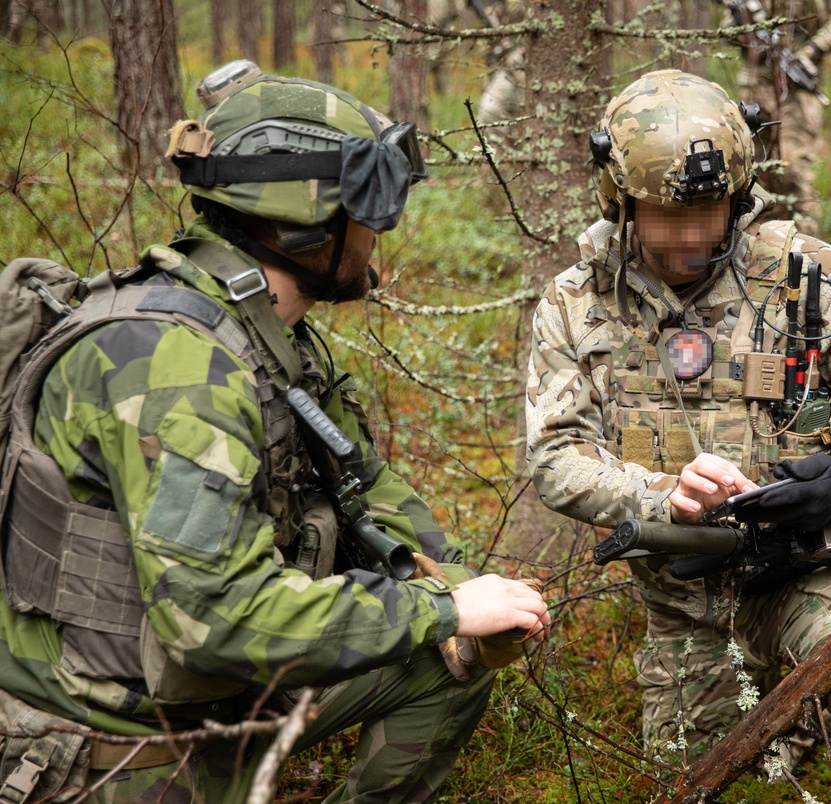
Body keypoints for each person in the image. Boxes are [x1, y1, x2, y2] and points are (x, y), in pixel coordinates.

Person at [0, 61, 550, 802]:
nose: (379, 233)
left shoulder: (262, 332)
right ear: (306, 216)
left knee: (447, 662)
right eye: (370, 207)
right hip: (112, 744)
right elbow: (214, 617)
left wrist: (468, 585)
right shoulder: (181, 367)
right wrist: (442, 607)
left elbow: (363, 485)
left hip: (209, 689)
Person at [525, 69, 831, 802]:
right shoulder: (576, 303)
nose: (695, 235)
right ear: (621, 200)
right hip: (685, 611)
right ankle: (796, 717)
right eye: (670, 216)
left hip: (812, 576)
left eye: (712, 211)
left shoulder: (809, 277)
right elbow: (555, 457)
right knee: (686, 780)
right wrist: (668, 497)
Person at [725, 0, 831, 235]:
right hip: (755, 86)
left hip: (797, 90)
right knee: (752, 173)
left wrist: (812, 50)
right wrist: (745, 30)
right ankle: (755, 248)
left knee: (791, 169)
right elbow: (727, 29)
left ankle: (805, 251)